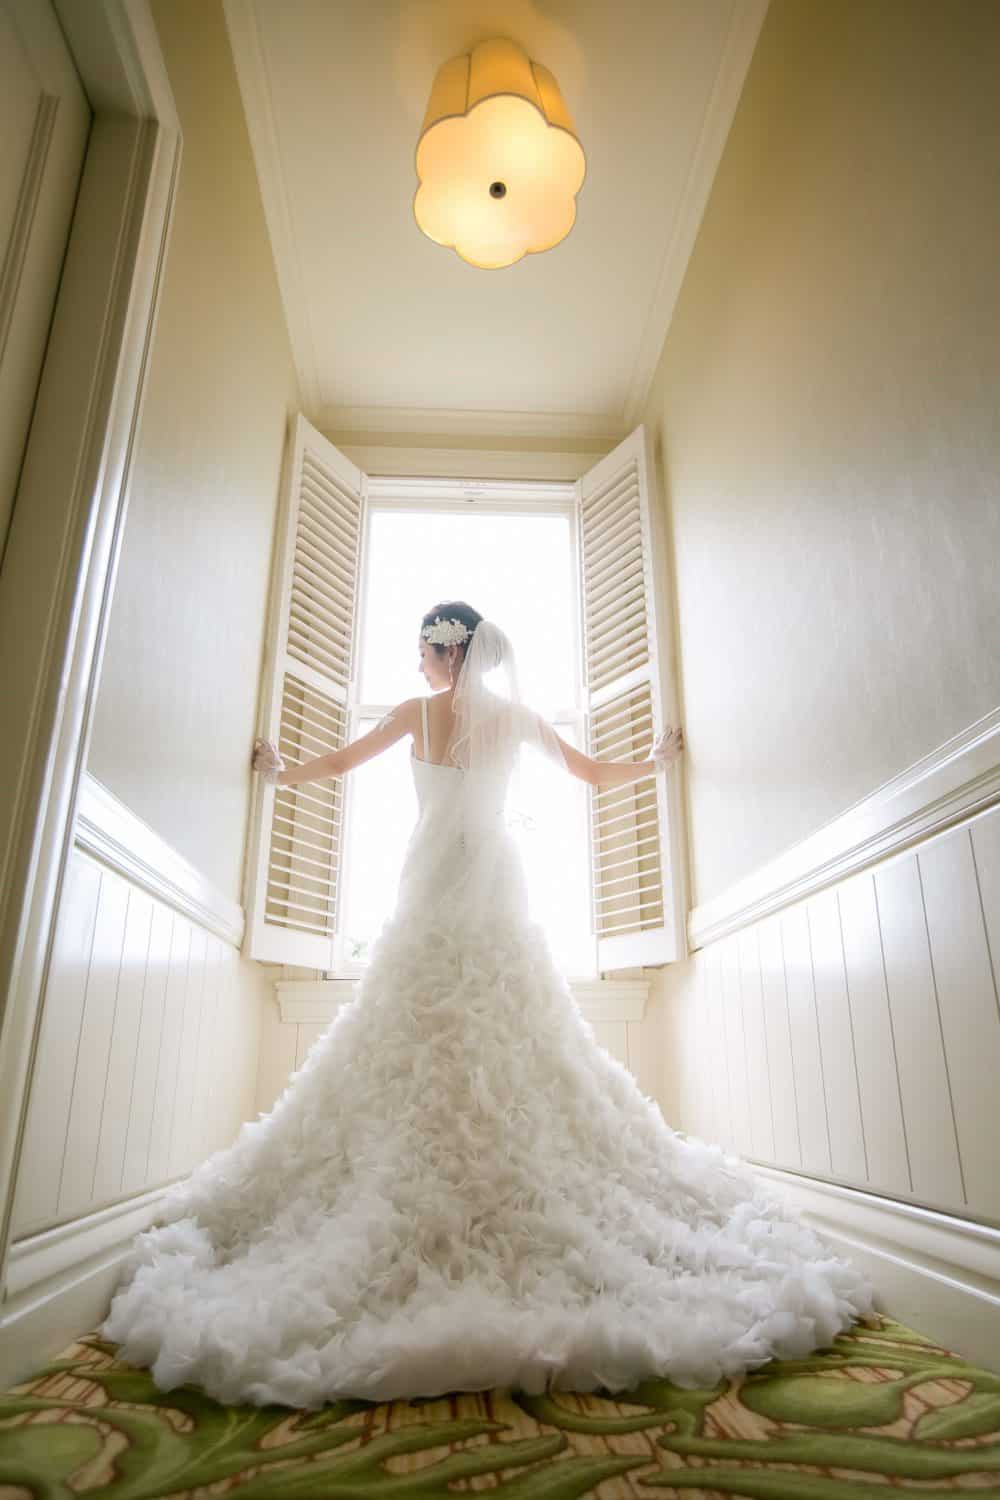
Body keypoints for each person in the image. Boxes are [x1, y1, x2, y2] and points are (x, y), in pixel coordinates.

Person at [100, 602, 873, 1408]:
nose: (420, 663)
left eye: (425, 650)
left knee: (434, 1009)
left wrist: (276, 771)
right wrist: (652, 763)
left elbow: (338, 764)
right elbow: (591, 775)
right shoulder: (515, 719)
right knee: (501, 1012)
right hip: (488, 875)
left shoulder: (416, 714)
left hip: (435, 875)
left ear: (449, 652)